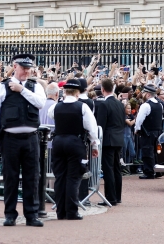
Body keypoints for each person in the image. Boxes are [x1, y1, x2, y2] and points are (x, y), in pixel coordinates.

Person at [0, 53, 46, 227]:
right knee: (10, 177)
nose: (26, 72)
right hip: (10, 139)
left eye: (29, 69)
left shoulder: (35, 87)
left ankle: (32, 215)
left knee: (32, 177)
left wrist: (22, 90)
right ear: (15, 66)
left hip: (31, 138)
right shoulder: (1, 87)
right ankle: (10, 214)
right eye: (23, 68)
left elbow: (40, 103)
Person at [51, 78, 99, 220]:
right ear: (78, 93)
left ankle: (60, 211)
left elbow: (50, 114)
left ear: (64, 92)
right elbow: (92, 129)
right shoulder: (82, 107)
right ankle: (71, 211)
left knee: (60, 177)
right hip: (75, 142)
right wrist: (94, 145)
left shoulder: (56, 106)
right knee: (73, 177)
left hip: (58, 142)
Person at [95, 77, 126, 206]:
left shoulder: (104, 104)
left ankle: (110, 197)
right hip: (119, 138)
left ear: (102, 89)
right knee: (116, 169)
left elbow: (100, 124)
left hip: (108, 139)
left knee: (108, 169)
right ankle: (117, 196)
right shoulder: (120, 104)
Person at [134, 83, 163, 179]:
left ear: (147, 94)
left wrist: (137, 129)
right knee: (156, 152)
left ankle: (149, 172)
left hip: (148, 132)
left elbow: (139, 119)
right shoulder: (159, 105)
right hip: (157, 131)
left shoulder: (145, 105)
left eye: (143, 93)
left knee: (147, 151)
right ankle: (158, 171)